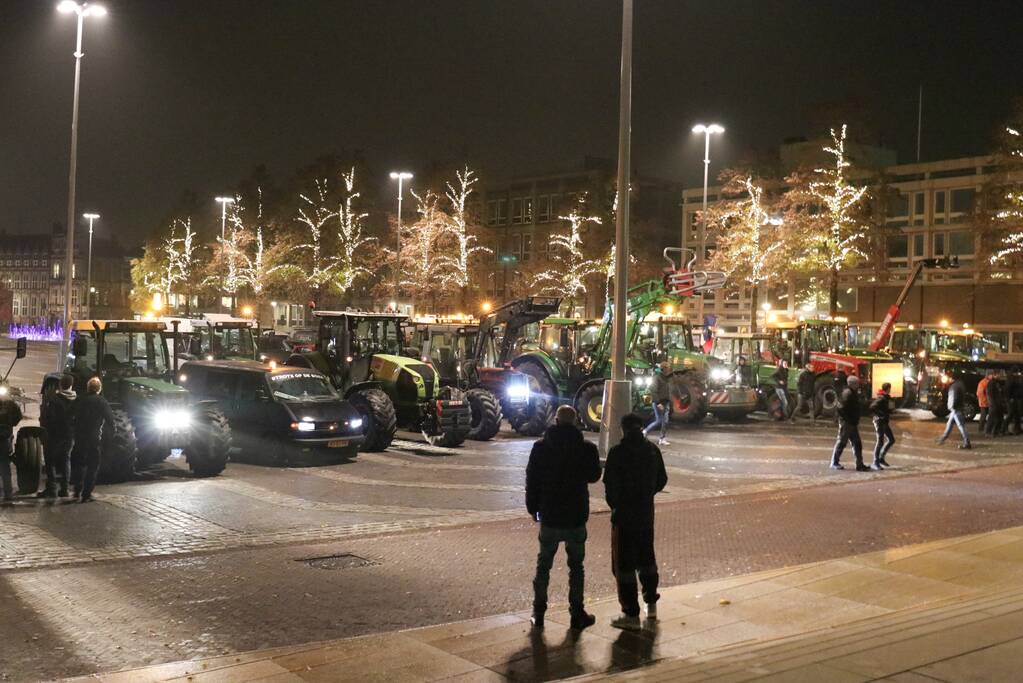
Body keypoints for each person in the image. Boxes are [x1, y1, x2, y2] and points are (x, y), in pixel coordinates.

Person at [525, 404, 601, 632]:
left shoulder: (540, 447)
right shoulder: (585, 448)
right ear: (576, 421)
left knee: (543, 565)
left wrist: (533, 508)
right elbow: (594, 476)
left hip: (549, 514)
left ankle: (538, 612)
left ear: (555, 421)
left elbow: (532, 480)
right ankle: (577, 612)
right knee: (576, 567)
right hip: (576, 515)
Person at [603, 413, 668, 630]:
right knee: (647, 560)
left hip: (623, 517)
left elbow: (610, 486)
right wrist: (648, 494)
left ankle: (630, 613)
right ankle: (651, 605)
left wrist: (616, 505)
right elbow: (662, 479)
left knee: (624, 566)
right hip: (645, 516)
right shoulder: (651, 450)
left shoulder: (618, 453)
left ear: (623, 428)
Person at [71, 377, 117, 502]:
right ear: (99, 389)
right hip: (94, 438)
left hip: (80, 437)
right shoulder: (101, 401)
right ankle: (87, 493)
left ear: (88, 387)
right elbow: (110, 420)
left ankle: (77, 489)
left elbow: (70, 415)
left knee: (78, 464)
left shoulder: (79, 399)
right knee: (93, 466)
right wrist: (112, 434)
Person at [38, 374, 76, 498]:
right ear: (71, 385)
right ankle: (65, 489)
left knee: (50, 461)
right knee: (66, 460)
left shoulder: (54, 400)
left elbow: (48, 418)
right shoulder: (77, 400)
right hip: (70, 435)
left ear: (60, 384)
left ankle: (52, 489)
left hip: (55, 435)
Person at [831, 375, 868, 471]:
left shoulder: (851, 392)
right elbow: (840, 408)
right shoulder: (847, 394)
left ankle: (859, 464)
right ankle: (834, 462)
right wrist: (846, 419)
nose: (858, 385)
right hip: (847, 423)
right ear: (853, 384)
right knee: (842, 442)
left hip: (852, 423)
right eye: (857, 384)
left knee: (857, 443)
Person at [0, 390, 23, 504]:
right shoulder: (9, 402)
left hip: (4, 436)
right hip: (4, 437)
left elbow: (18, 416)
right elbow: (18, 416)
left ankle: (8, 492)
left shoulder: (9, 403)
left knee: (4, 465)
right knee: (4, 465)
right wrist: (10, 424)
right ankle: (8, 493)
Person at [937, 376, 972, 449]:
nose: (948, 380)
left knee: (961, 426)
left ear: (952, 378)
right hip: (956, 409)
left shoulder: (954, 386)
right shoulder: (959, 384)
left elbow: (954, 397)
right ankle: (943, 438)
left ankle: (967, 443)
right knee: (949, 424)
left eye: (949, 378)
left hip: (956, 409)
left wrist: (952, 407)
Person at [643, 362, 672, 445]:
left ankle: (662, 438)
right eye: (667, 368)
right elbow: (653, 391)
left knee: (665, 421)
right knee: (659, 420)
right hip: (659, 403)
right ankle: (645, 431)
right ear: (664, 369)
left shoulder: (666, 378)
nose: (669, 370)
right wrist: (658, 403)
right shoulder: (657, 378)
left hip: (666, 402)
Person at [870, 382, 895, 470]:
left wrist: (889, 410)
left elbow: (885, 409)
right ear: (888, 389)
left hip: (884, 422)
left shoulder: (886, 397)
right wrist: (881, 415)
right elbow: (872, 407)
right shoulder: (881, 398)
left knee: (891, 439)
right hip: (879, 422)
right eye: (890, 388)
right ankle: (875, 462)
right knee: (880, 441)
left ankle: (881, 458)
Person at [985, 372, 1004, 437]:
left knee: (999, 418)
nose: (1000, 376)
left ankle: (996, 431)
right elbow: (989, 394)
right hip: (994, 404)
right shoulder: (991, 383)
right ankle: (988, 432)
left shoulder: (997, 382)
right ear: (994, 375)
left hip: (998, 403)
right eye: (998, 374)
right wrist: (992, 403)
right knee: (992, 418)